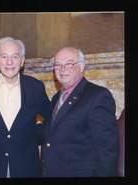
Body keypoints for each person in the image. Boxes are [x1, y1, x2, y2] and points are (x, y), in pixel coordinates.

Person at [0, 37, 50, 178]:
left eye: (14, 57)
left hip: (25, 167)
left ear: (22, 61)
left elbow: (54, 118)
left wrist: (36, 134)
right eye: (4, 57)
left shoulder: (35, 87)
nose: (9, 62)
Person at [42, 47, 119, 177]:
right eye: (58, 65)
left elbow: (107, 151)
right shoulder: (56, 98)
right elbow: (50, 131)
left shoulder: (98, 96)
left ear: (82, 66)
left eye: (69, 63)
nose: (63, 68)